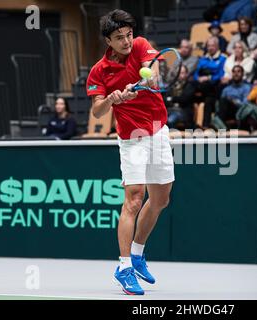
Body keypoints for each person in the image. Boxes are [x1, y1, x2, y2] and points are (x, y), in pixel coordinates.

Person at [86, 9, 174, 296]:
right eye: (118, 38)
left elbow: (154, 70)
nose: (126, 41)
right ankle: (124, 267)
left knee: (160, 199)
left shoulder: (140, 45)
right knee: (134, 198)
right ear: (108, 41)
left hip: (158, 130)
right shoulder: (100, 70)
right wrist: (111, 99)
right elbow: (97, 111)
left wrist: (147, 81)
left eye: (128, 35)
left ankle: (137, 254)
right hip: (131, 138)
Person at [193, 36, 227, 128]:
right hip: (202, 86)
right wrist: (198, 79)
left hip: (214, 86)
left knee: (209, 99)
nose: (210, 48)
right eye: (208, 46)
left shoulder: (223, 59)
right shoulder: (202, 59)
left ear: (217, 46)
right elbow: (195, 74)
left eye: (212, 46)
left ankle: (205, 126)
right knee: (192, 86)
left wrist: (209, 77)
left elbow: (221, 75)